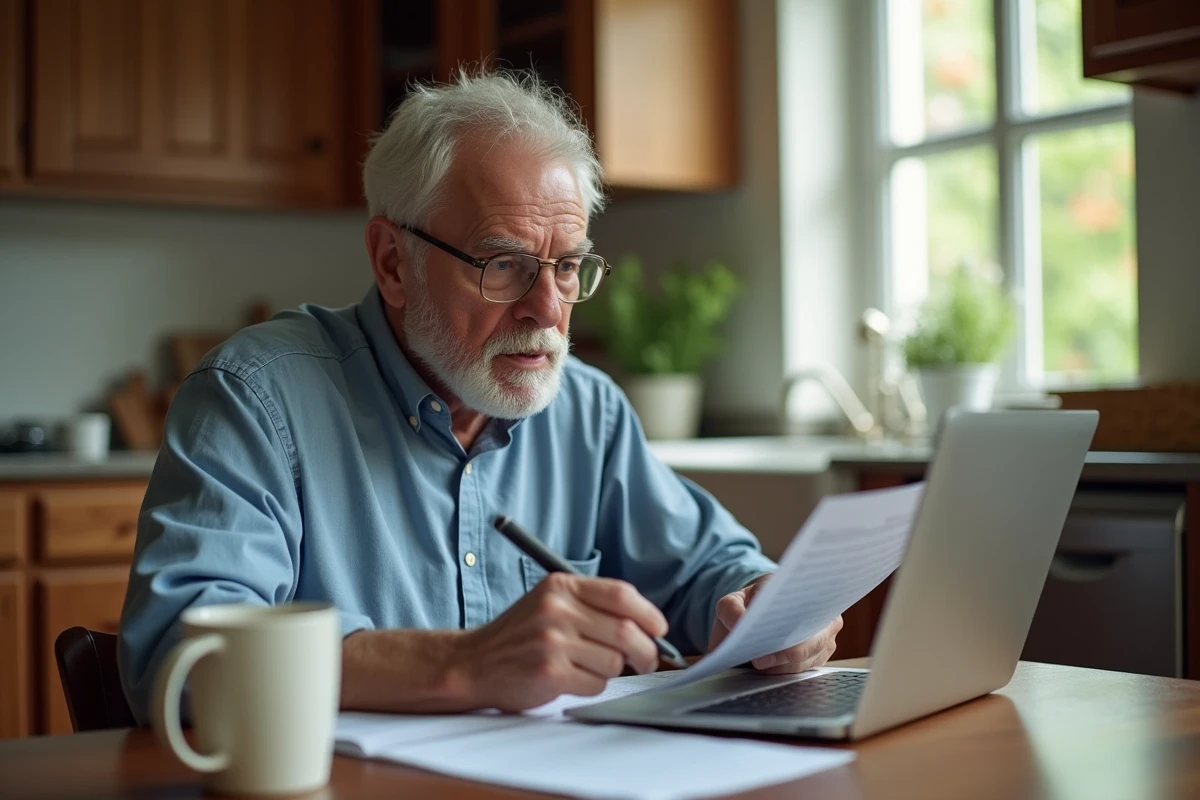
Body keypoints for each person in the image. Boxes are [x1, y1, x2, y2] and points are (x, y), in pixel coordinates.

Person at [118, 71, 841, 723]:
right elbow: (187, 657)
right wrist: (467, 663)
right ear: (393, 262)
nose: (548, 310)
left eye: (567, 268)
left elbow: (708, 568)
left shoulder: (587, 411)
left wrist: (764, 605)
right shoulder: (256, 399)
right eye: (504, 265)